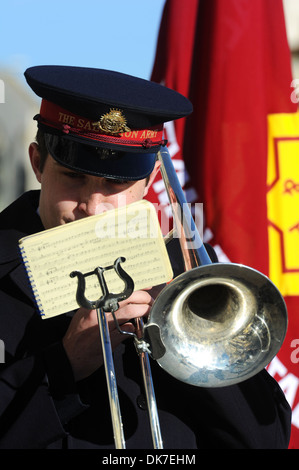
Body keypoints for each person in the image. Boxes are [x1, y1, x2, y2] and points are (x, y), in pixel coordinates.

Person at [0, 65, 291, 449]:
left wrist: (192, 343)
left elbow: (264, 439)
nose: (94, 207)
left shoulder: (184, 270)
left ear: (151, 179)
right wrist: (64, 365)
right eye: (72, 177)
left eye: (116, 183)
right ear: (38, 163)